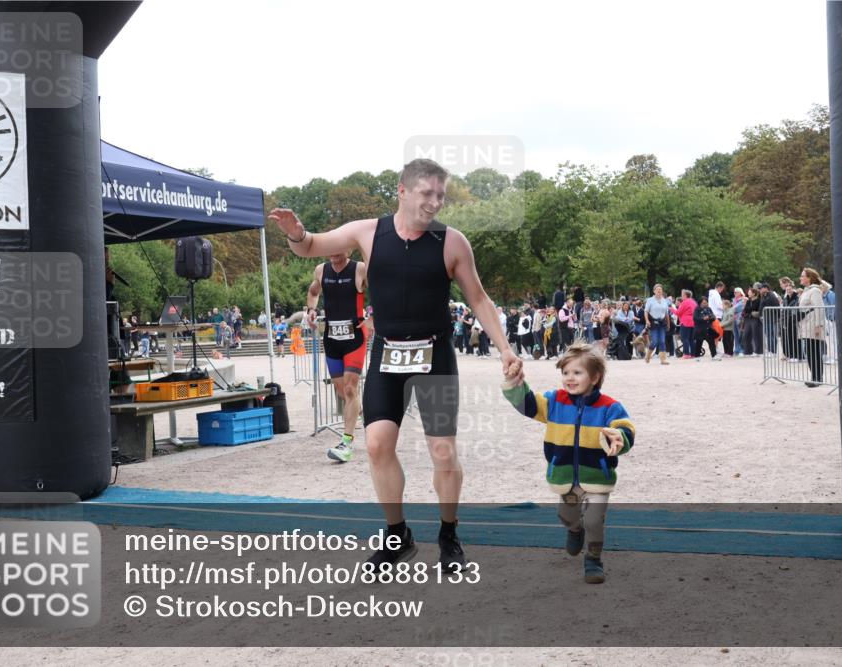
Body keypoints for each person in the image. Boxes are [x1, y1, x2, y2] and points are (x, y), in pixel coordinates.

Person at [269, 158, 521, 570]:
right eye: (426, 193)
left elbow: (478, 298)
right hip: (388, 354)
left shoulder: (452, 242)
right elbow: (311, 245)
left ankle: (448, 534)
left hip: (435, 354)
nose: (435, 202)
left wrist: (505, 349)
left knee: (443, 452)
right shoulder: (369, 232)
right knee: (376, 444)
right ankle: (397, 534)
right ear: (402, 191)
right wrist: (296, 233)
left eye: (440, 195)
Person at [501, 342, 635, 583]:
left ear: (595, 377)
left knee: (594, 520)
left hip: (597, 478)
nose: (569, 378)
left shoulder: (610, 407)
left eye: (577, 372)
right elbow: (527, 404)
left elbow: (625, 429)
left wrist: (620, 437)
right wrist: (514, 382)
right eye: (565, 373)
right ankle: (575, 529)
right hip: (565, 479)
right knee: (566, 515)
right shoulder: (554, 401)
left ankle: (593, 560)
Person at [305, 253, 369, 462]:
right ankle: (365, 413)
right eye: (330, 247)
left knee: (350, 389)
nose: (333, 252)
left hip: (355, 337)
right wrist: (311, 310)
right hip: (331, 338)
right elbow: (313, 291)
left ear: (348, 250)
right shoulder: (321, 270)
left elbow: (382, 289)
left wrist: (374, 316)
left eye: (338, 248)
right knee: (342, 392)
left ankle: (346, 443)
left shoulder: (359, 269)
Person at [798, 268, 827, 387]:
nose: (800, 278)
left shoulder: (815, 291)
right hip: (806, 325)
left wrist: (818, 325)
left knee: (814, 352)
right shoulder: (806, 291)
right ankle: (814, 377)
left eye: (802, 276)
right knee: (809, 352)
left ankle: (818, 378)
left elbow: (819, 309)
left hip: (813, 325)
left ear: (809, 278)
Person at [643, 284, 671, 365]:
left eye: (660, 289)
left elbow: (666, 313)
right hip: (653, 322)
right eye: (657, 289)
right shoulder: (650, 300)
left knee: (662, 341)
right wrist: (647, 320)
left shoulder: (665, 301)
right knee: (654, 341)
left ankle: (663, 359)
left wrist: (668, 324)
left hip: (662, 322)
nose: (659, 290)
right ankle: (648, 355)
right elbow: (646, 311)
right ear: (654, 291)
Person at [693, 296, 720, 360]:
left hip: (708, 328)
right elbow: (695, 318)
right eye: (704, 303)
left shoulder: (709, 309)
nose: (705, 304)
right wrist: (703, 318)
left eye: (706, 302)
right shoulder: (697, 309)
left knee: (711, 342)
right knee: (699, 343)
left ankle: (714, 355)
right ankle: (697, 356)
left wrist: (711, 318)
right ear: (700, 303)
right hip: (700, 329)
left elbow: (713, 316)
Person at [759, 282, 782, 357]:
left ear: (766, 288)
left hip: (772, 318)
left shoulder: (772, 296)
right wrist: (761, 315)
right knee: (768, 335)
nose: (760, 289)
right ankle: (770, 350)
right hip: (766, 318)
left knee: (771, 335)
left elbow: (777, 307)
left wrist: (776, 317)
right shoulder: (764, 296)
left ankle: (773, 351)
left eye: (762, 288)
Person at [741, 287, 763, 356]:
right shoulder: (748, 301)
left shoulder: (759, 301)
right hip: (748, 319)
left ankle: (758, 351)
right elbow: (746, 310)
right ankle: (747, 351)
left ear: (754, 294)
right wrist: (749, 311)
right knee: (746, 335)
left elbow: (755, 309)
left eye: (749, 292)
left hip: (755, 319)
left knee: (756, 335)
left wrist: (749, 310)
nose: (748, 293)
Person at [675, 289, 697, 359]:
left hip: (685, 322)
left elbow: (678, 313)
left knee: (685, 338)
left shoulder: (684, 302)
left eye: (682, 295)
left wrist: (671, 309)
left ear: (685, 295)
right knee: (691, 339)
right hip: (693, 322)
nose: (681, 297)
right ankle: (693, 354)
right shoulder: (694, 302)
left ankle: (686, 354)